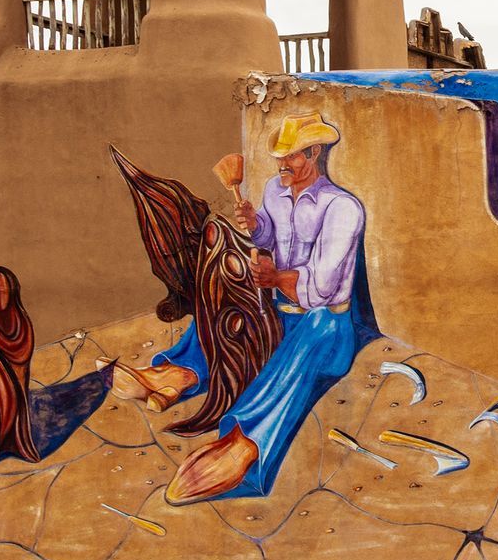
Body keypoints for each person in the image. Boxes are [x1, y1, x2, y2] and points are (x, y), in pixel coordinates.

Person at [110, 111, 366, 505]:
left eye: (292, 155)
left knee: (310, 337)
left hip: (325, 325)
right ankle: (180, 373)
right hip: (278, 309)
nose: (282, 163)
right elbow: (267, 234)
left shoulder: (343, 208)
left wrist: (277, 278)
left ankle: (245, 442)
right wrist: (255, 222)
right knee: (228, 295)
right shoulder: (274, 191)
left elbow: (323, 286)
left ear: (314, 152)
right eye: (281, 155)